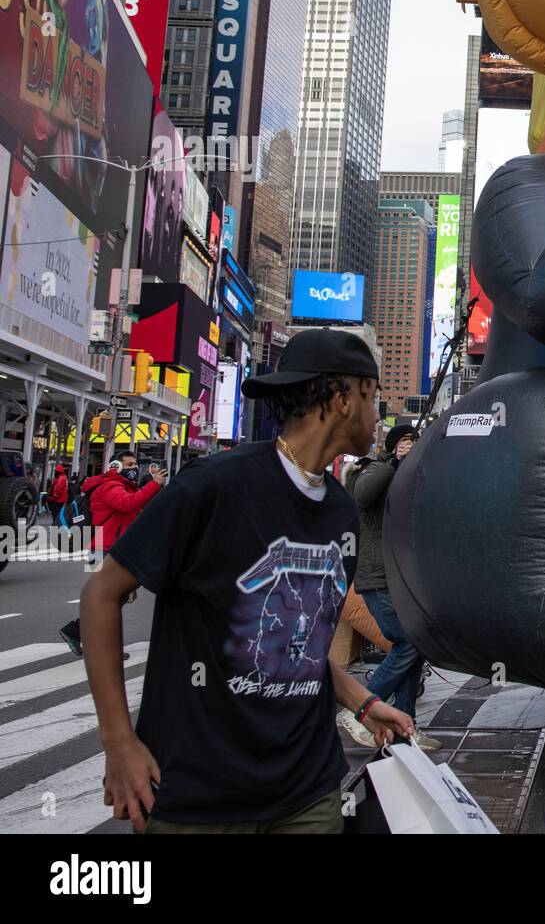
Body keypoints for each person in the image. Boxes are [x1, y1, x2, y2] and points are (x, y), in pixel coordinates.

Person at [79, 329, 418, 833]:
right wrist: (119, 743)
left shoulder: (342, 514)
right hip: (200, 795)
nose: (378, 414)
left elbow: (297, 652)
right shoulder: (214, 487)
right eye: (373, 397)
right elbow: (100, 595)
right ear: (344, 397)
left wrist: (361, 701)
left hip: (308, 793)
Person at [340, 423, 440, 752]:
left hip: (403, 578)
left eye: (415, 441)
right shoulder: (371, 470)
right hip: (377, 577)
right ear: (394, 446)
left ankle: (404, 725)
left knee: (415, 647)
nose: (410, 446)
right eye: (405, 441)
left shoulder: (415, 478)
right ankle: (358, 709)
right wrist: (395, 463)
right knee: (408, 641)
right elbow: (364, 495)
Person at [59, 453, 163, 658]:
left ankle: (78, 632)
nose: (134, 468)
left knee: (109, 599)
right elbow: (128, 505)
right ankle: (96, 644)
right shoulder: (110, 486)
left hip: (114, 549)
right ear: (115, 466)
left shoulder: (120, 486)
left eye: (135, 464)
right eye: (129, 464)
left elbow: (134, 511)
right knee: (109, 600)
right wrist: (155, 484)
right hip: (106, 549)